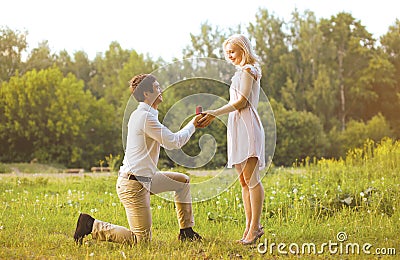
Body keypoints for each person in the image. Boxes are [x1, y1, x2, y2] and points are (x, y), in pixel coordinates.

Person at [74, 74, 204, 245]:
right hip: (133, 185)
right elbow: (174, 142)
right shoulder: (144, 117)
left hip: (145, 179)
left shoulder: (147, 115)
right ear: (146, 94)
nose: (161, 90)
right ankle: (91, 225)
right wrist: (193, 124)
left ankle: (186, 231)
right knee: (141, 241)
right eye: (157, 87)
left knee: (182, 181)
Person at [198, 34, 265, 245]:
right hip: (237, 126)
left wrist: (214, 112)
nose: (229, 56)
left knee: (252, 180)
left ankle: (254, 228)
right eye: (227, 53)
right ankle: (250, 228)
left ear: (243, 50)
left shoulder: (248, 70)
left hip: (247, 125)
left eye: (233, 51)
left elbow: (242, 101)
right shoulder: (240, 72)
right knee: (244, 182)